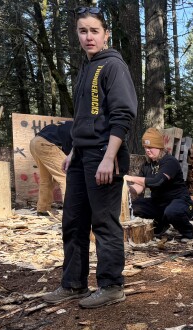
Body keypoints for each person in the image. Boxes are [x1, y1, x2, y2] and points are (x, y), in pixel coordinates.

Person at [42, 6, 137, 309]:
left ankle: (111, 285)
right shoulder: (86, 68)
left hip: (104, 154)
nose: (88, 36)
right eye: (82, 31)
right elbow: (84, 117)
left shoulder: (113, 67)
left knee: (104, 221)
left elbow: (122, 115)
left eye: (94, 30)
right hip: (82, 155)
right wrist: (73, 151)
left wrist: (109, 157)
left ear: (106, 33)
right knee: (73, 219)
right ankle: (73, 284)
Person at [124, 128, 193, 239]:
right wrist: (124, 188)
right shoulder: (147, 166)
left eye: (151, 147)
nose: (147, 150)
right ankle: (161, 225)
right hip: (159, 204)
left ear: (159, 147)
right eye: (146, 147)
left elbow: (157, 182)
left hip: (181, 202)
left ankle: (188, 232)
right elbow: (139, 187)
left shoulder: (170, 162)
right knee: (135, 207)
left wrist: (129, 177)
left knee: (173, 212)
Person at [30, 121, 73, 214]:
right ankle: (72, 212)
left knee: (46, 179)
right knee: (67, 176)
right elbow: (70, 153)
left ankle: (43, 209)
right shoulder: (78, 129)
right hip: (46, 144)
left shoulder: (68, 124)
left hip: (35, 142)